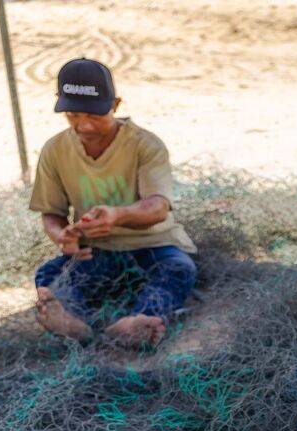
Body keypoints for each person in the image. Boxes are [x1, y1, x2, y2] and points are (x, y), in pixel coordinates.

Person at [29, 58, 197, 348]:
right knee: (50, 273)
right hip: (97, 252)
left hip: (153, 247)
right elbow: (51, 212)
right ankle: (74, 324)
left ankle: (139, 320)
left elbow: (157, 207)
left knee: (179, 269)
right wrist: (63, 237)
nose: (84, 125)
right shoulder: (55, 150)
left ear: (116, 105)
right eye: (73, 115)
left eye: (95, 115)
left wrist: (118, 216)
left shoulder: (145, 145)